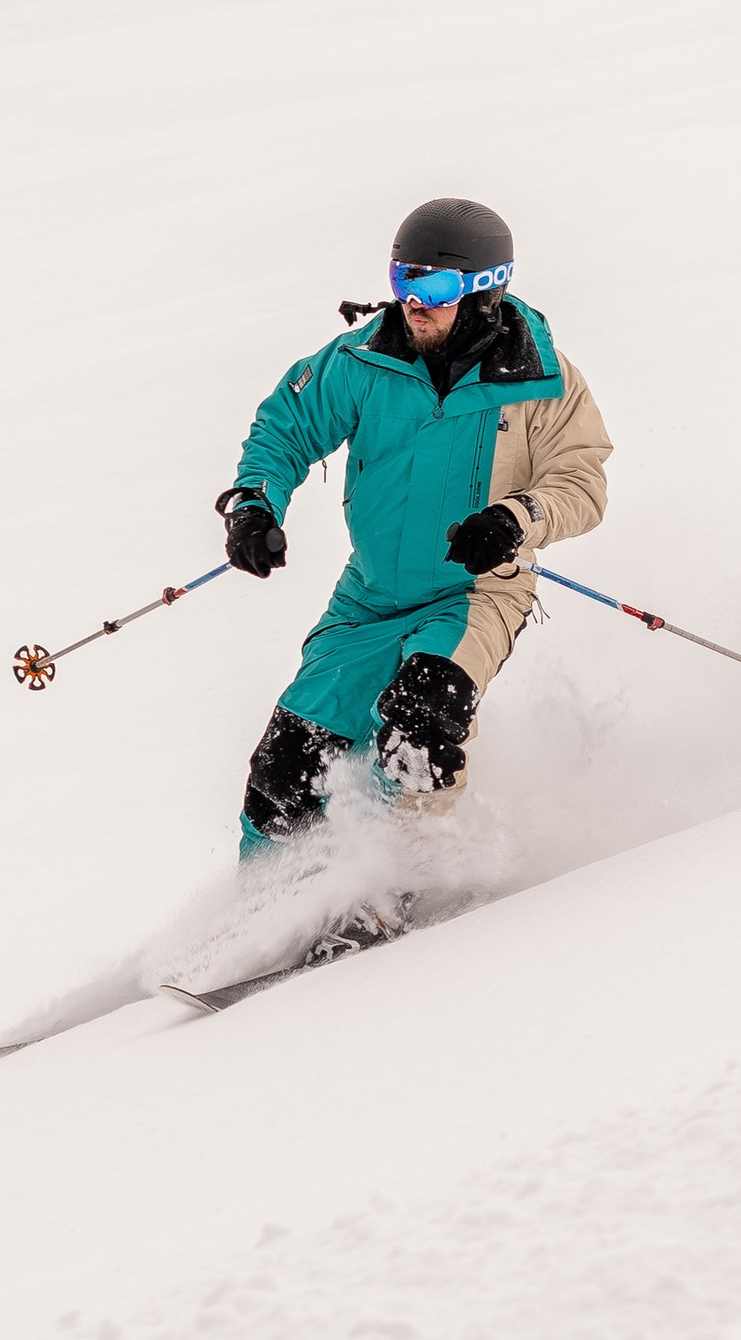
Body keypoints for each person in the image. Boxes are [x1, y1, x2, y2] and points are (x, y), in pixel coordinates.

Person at [216, 195, 611, 863]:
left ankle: (403, 875)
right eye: (403, 279)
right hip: (368, 598)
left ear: (485, 292)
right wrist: (255, 505)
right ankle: (265, 907)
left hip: (474, 594)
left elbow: (582, 482)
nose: (411, 300)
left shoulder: (541, 378)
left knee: (422, 716)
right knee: (287, 767)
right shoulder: (361, 360)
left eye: (432, 286)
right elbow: (286, 430)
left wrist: (514, 518)